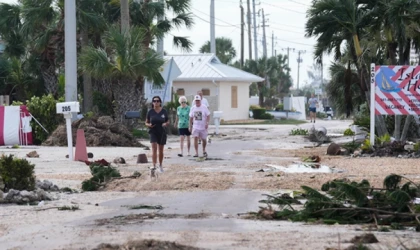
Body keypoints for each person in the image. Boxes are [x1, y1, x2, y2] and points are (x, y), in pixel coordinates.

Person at [145, 96, 169, 173]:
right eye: (154, 101)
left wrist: (165, 123)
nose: (156, 102)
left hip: (162, 131)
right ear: (152, 102)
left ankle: (161, 165)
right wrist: (149, 125)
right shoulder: (150, 112)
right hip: (153, 131)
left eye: (157, 101)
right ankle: (154, 165)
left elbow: (167, 121)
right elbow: (146, 122)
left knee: (161, 150)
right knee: (154, 148)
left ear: (160, 102)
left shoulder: (164, 111)